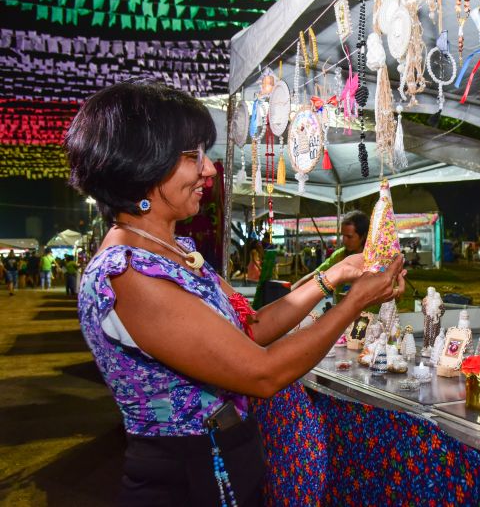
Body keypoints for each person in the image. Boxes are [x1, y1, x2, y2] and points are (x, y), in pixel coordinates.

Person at [64, 81, 405, 506]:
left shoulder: (172, 252)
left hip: (222, 455)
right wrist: (355, 303)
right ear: (142, 166)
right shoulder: (129, 275)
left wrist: (335, 276)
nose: (209, 170)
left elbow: (253, 326)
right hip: (187, 475)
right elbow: (262, 373)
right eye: (192, 156)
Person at [291, 210, 369, 298]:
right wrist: (290, 291)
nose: (344, 240)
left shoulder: (374, 259)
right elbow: (315, 276)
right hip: (341, 310)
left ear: (363, 236)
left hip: (370, 311)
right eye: (343, 235)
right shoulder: (339, 255)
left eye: (349, 237)